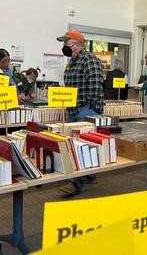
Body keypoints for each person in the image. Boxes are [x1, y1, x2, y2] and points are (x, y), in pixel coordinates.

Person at [56, 30, 103, 195]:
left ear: (75, 44)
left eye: (66, 44)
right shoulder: (72, 62)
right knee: (81, 145)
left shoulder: (89, 59)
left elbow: (96, 84)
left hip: (85, 110)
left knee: (78, 147)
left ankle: (75, 183)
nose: (64, 47)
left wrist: (89, 108)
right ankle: (89, 175)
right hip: (73, 109)